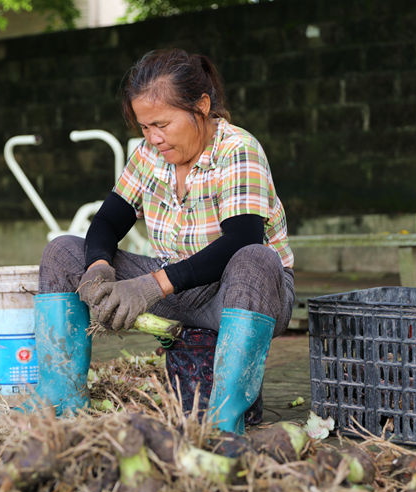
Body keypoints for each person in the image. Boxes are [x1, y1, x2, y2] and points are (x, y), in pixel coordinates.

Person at [32, 49, 295, 435]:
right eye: (144, 128)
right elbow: (107, 221)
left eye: (162, 125)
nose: (153, 138)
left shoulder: (238, 149)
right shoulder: (148, 157)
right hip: (178, 289)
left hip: (244, 293)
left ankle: (223, 425)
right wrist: (98, 267)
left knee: (255, 257)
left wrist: (150, 286)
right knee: (62, 252)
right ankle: (61, 404)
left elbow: (241, 240)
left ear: (201, 107)